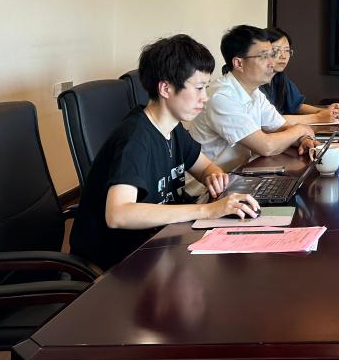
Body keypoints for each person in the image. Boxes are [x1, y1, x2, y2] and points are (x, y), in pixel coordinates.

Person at [70, 35, 260, 270]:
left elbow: (205, 168)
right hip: (120, 264)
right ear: (166, 88)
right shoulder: (135, 139)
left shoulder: (173, 128)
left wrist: (214, 176)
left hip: (161, 245)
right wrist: (208, 210)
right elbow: (118, 214)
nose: (205, 97)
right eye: (199, 88)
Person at [189, 24, 317, 177]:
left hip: (242, 176)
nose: (272, 63)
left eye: (272, 55)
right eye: (264, 57)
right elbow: (266, 146)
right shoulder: (221, 97)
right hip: (210, 186)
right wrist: (300, 130)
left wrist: (304, 139)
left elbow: (282, 128)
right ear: (239, 63)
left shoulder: (255, 93)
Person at [260, 27, 339, 123]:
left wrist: (325, 112)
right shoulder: (254, 81)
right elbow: (269, 121)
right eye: (277, 50)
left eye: (287, 50)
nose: (284, 56)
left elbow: (296, 105)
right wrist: (318, 117)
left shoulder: (279, 77)